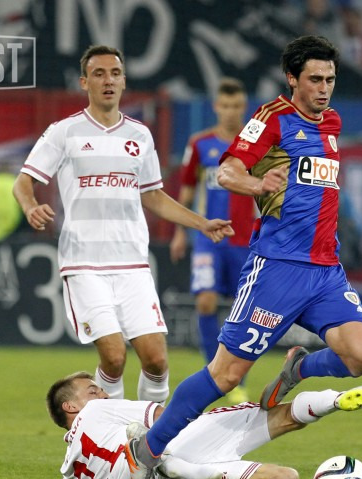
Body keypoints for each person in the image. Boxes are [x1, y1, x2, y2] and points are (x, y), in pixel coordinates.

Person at [126, 36, 362, 479]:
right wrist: (257, 184)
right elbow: (227, 172)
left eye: (330, 79)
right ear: (292, 78)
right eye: (315, 79)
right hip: (276, 269)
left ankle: (299, 367)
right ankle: (146, 451)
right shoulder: (271, 119)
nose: (324, 88)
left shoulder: (332, 122)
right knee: (225, 374)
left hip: (326, 271)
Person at [13, 45, 234, 403]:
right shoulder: (64, 132)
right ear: (84, 82)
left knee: (157, 360)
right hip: (84, 263)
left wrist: (202, 223)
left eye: (115, 73)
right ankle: (113, 430)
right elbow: (23, 182)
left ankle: (149, 432)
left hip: (132, 262)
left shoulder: (139, 135)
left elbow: (153, 196)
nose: (108, 81)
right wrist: (30, 206)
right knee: (114, 358)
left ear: (124, 81)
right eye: (99, 74)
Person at [47, 371, 362, 479]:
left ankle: (180, 470)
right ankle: (335, 399)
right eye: (93, 390)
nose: (103, 394)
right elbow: (165, 417)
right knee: (277, 416)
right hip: (169, 447)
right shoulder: (97, 411)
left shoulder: (70, 469)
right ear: (71, 407)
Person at [169, 78, 256, 404]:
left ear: (244, 107)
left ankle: (238, 379)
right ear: (217, 106)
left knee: (242, 310)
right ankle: (214, 372)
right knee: (205, 301)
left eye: (237, 106)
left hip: (246, 239)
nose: (231, 111)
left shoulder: (258, 145)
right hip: (208, 238)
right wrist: (181, 232)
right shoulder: (201, 144)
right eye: (226, 105)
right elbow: (188, 189)